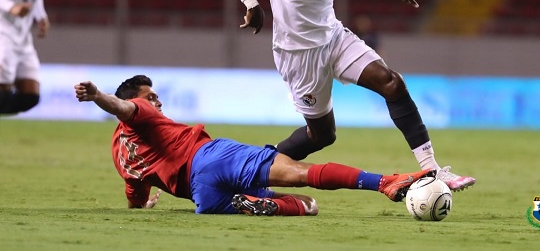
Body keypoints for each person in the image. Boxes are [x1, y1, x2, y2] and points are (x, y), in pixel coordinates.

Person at [213, 0, 475, 191]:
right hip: (298, 52)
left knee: (392, 82)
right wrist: (250, 1)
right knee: (322, 136)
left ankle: (432, 171)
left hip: (335, 37)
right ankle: (255, 170)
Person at [74, 75, 434, 216]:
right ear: (139, 103)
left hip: (203, 196)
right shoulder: (140, 113)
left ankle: (262, 204)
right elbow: (122, 107)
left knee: (304, 207)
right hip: (212, 157)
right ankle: (384, 182)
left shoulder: (120, 154)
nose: (157, 101)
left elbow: (133, 195)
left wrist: (143, 203)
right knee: (299, 175)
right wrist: (98, 97)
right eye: (151, 97)